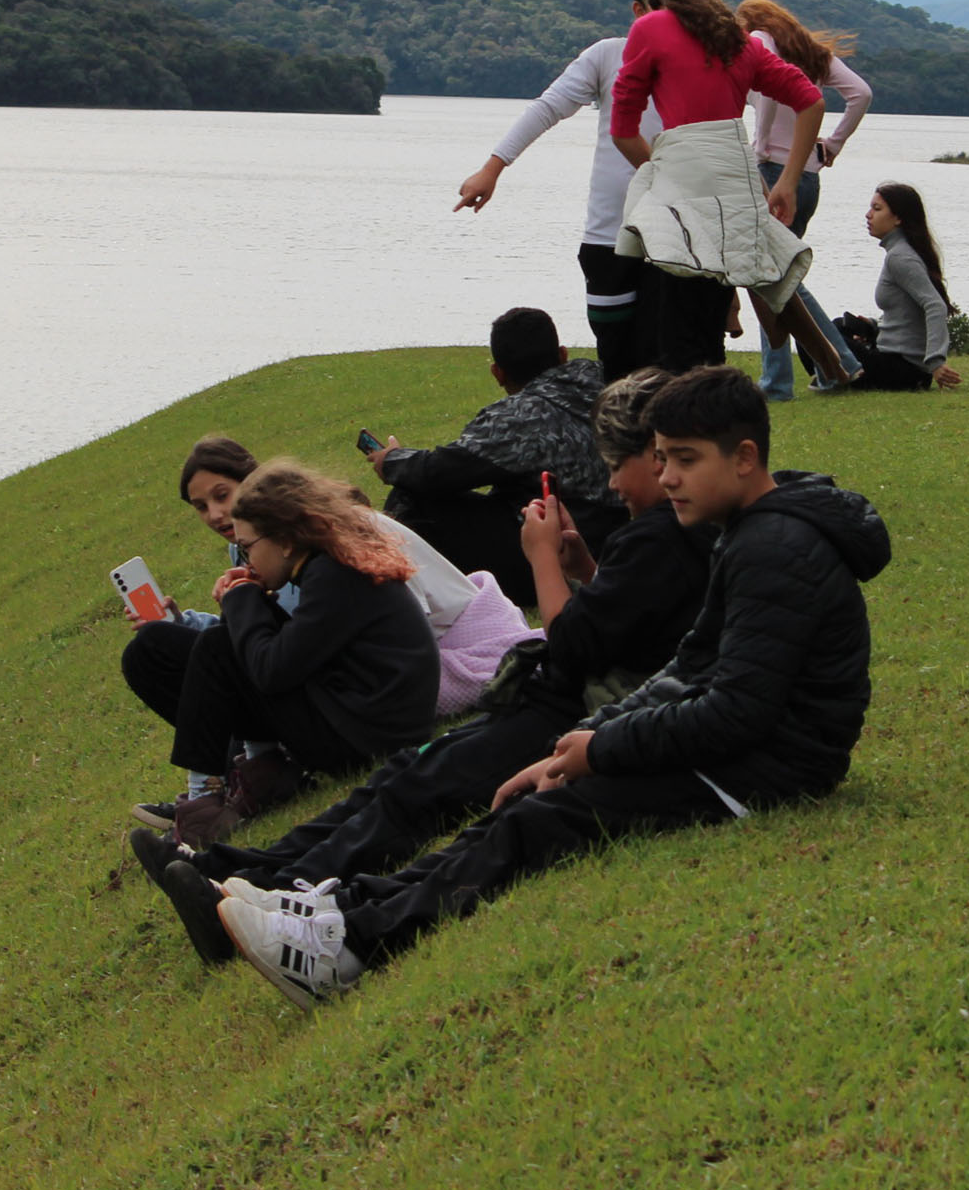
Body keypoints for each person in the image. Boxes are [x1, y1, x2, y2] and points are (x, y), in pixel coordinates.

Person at [212, 366, 885, 1006]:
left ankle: (349, 945)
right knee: (522, 797)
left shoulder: (775, 548)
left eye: (684, 460)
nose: (668, 476)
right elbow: (691, 665)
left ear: (742, 458)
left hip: (767, 768)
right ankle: (342, 910)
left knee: (538, 821)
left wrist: (600, 752)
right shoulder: (745, 533)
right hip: (742, 748)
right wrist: (588, 739)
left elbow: (736, 710)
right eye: (661, 458)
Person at [126, 370, 719, 963]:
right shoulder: (656, 536)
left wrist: (542, 561)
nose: (616, 481)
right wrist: (584, 566)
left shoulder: (664, 539)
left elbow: (572, 643)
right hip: (548, 699)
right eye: (657, 460)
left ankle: (267, 893)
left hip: (570, 708)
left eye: (645, 462)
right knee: (401, 777)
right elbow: (625, 621)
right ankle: (235, 875)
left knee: (418, 788)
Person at [126, 437, 491, 823]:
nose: (217, 517)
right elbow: (285, 643)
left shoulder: (336, 566)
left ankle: (207, 798)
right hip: (353, 712)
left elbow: (272, 665)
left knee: (219, 648)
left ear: (282, 537)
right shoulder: (315, 560)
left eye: (249, 548)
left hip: (363, 730)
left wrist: (243, 599)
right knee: (157, 649)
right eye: (201, 507)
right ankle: (246, 777)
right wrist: (239, 602)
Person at [453, 0, 687, 376]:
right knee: (617, 367)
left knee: (667, 366)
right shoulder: (606, 56)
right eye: (664, 10)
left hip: (677, 238)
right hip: (608, 240)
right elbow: (547, 108)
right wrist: (493, 167)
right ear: (639, 11)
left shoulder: (706, 63)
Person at [608, 0, 829, 371]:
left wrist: (661, 174)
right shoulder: (740, 41)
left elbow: (623, 130)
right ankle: (718, 404)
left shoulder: (650, 28)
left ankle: (682, 413)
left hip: (685, 191)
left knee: (674, 321)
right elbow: (811, 100)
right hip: (734, 192)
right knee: (710, 318)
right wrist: (787, 182)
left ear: (657, 2)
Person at [364, 308, 619, 608]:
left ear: (498, 372)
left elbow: (437, 471)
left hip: (553, 552)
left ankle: (399, 597)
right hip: (614, 540)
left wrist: (391, 460)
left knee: (412, 499)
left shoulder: (520, 417)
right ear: (562, 354)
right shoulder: (608, 381)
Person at [740, 0, 873, 399]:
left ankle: (785, 380)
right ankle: (838, 364)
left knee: (772, 277)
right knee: (782, 276)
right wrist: (833, 143)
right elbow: (861, 94)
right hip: (809, 176)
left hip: (774, 174)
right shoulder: (814, 55)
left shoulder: (759, 43)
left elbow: (760, 102)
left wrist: (759, 145)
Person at [836, 183, 963, 391]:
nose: (868, 215)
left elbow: (935, 306)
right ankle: (838, 377)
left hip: (904, 372)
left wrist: (936, 362)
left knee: (823, 332)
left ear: (898, 218)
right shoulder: (900, 251)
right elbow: (907, 315)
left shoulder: (900, 257)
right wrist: (874, 327)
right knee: (840, 326)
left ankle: (836, 378)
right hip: (898, 364)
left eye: (877, 209)